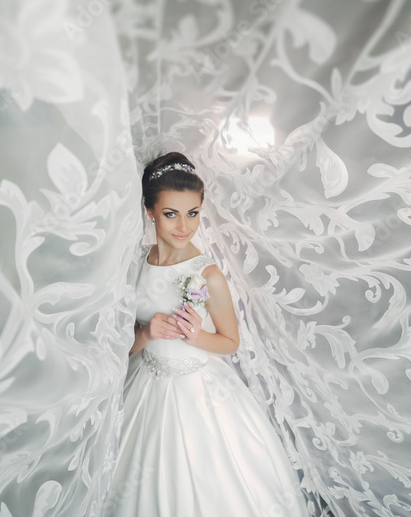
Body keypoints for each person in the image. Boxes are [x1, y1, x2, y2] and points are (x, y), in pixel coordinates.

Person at [105, 152, 310, 517]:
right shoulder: (134, 264)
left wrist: (195, 336)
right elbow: (120, 346)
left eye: (193, 213)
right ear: (149, 211)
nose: (184, 226)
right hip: (144, 383)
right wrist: (147, 333)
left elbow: (231, 342)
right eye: (171, 214)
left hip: (202, 391)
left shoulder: (208, 274)